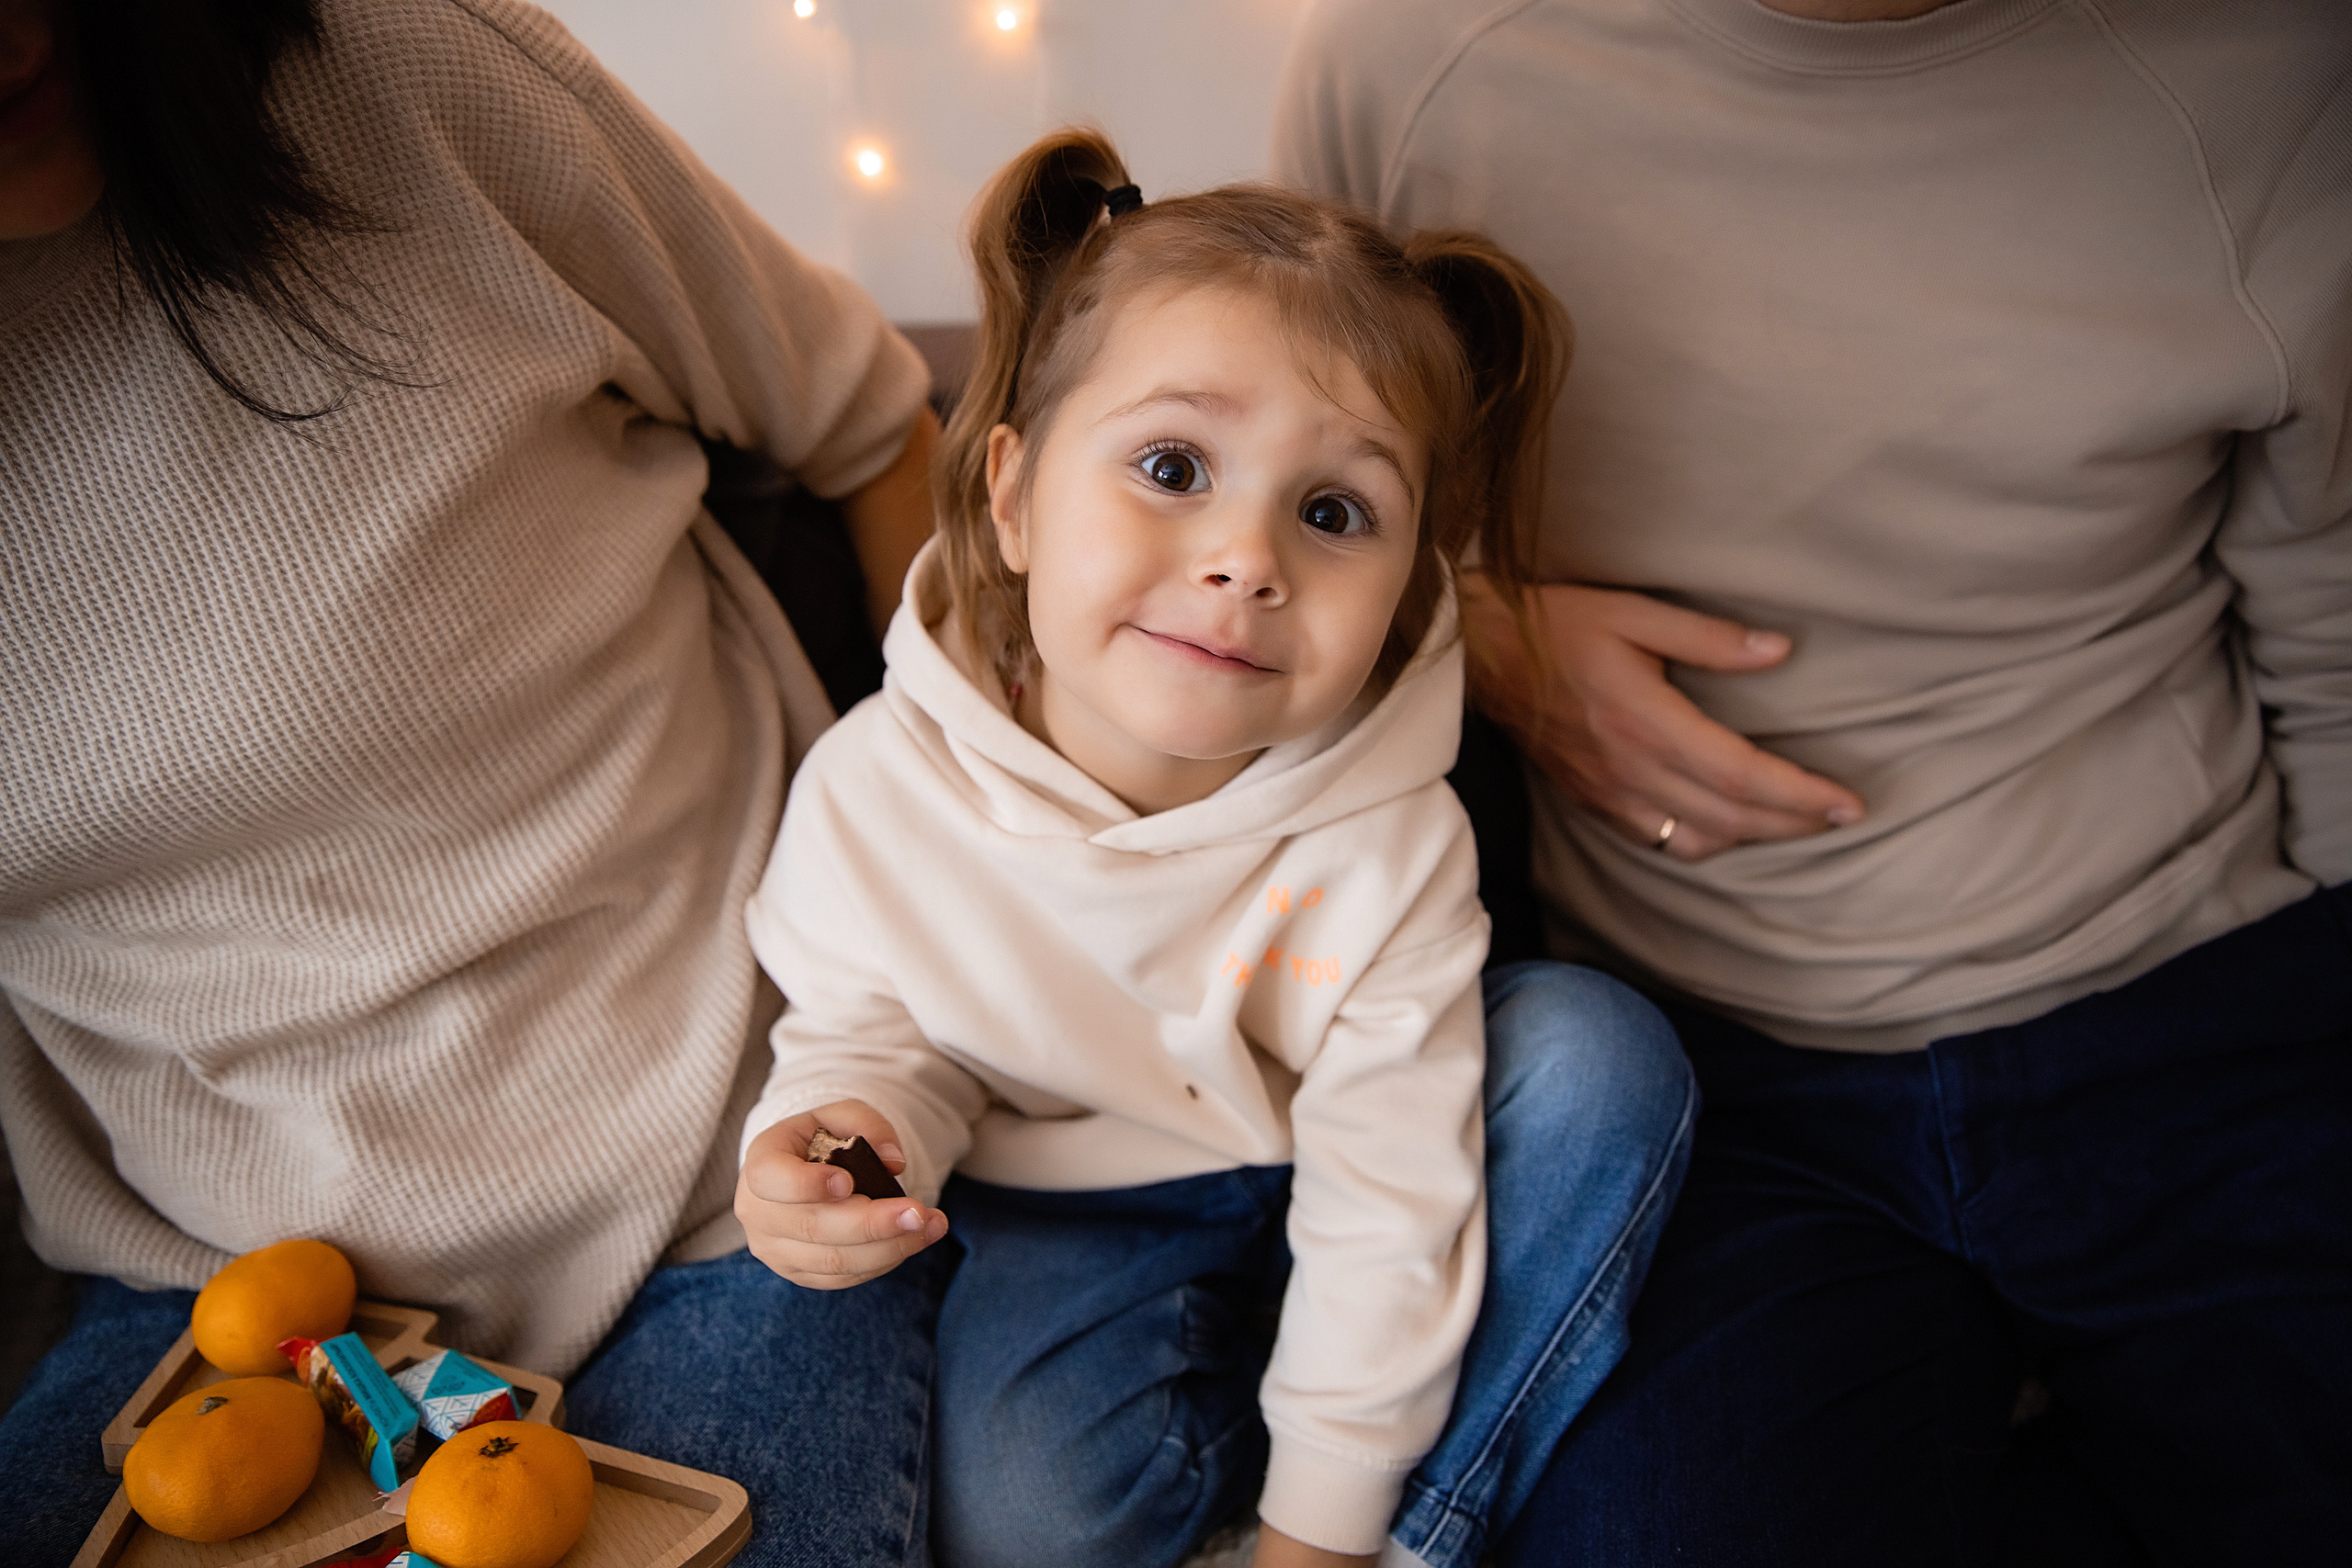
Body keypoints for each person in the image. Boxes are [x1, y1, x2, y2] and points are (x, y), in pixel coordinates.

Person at [1273, 0, 2351, 1562]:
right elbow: (1261, 512)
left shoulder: (2278, 72)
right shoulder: (1405, 56)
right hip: (1712, 1072)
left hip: (2193, 1016)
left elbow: (2332, 643)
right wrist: (1483, 638)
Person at [0, 0, 937, 1559]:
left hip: (743, 1194)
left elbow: (866, 421)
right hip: (207, 1291)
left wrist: (944, 900)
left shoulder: (405, 71)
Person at [727, 129, 1696, 1568]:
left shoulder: (1386, 839)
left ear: (1411, 578)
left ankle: (1409, 1536)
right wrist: (854, 1129)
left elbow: (1392, 1191)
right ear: (1010, 499)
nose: (1250, 558)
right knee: (1033, 1522)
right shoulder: (881, 788)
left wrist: (1326, 1531)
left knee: (1596, 1058)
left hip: (1369, 1157)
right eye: (1173, 465)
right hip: (1083, 1196)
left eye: (1332, 512)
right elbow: (869, 1027)